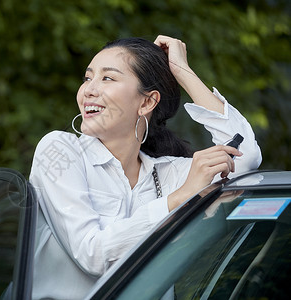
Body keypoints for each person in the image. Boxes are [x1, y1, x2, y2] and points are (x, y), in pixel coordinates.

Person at [28, 35, 262, 299]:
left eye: (107, 78)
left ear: (147, 102)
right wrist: (180, 197)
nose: (89, 90)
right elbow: (93, 254)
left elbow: (245, 157)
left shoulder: (166, 173)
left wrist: (182, 72)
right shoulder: (61, 150)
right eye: (87, 78)